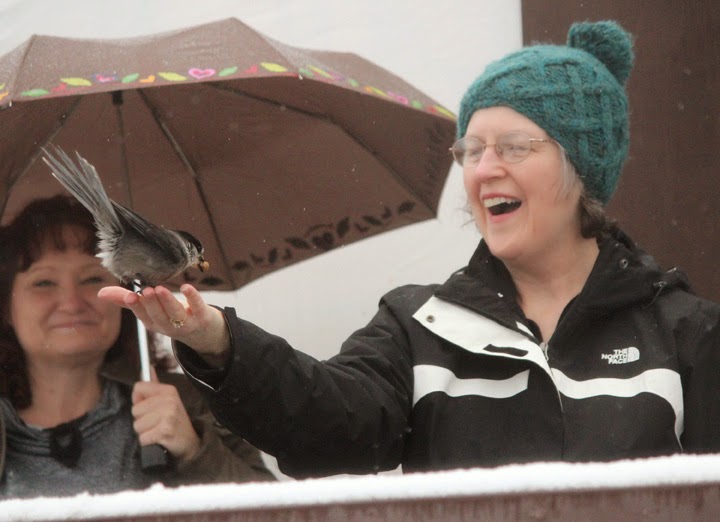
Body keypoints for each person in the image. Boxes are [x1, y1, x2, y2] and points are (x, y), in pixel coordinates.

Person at [99, 20, 720, 478]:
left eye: (514, 146)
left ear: (582, 167)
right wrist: (217, 342)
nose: (483, 170)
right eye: (472, 151)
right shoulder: (420, 324)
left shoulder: (684, 331)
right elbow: (326, 429)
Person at [0, 196, 274, 499]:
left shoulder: (194, 403)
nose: (71, 302)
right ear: (5, 307)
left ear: (125, 298)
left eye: (93, 278)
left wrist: (195, 450)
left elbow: (280, 515)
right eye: (44, 283)